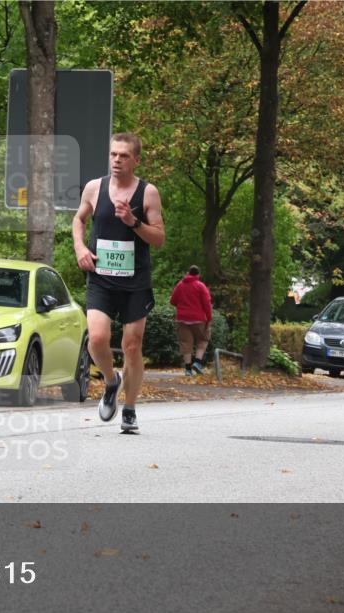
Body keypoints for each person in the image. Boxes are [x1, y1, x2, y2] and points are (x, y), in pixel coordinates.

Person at [72, 132, 165, 433]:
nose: (116, 160)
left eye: (124, 156)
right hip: (101, 278)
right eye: (113, 154)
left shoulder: (147, 193)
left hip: (135, 280)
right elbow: (79, 220)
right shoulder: (94, 188)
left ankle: (130, 409)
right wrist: (81, 248)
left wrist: (134, 222)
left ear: (136, 160)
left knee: (132, 345)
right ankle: (112, 381)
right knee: (97, 339)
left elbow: (159, 238)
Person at [170, 266, 213, 376]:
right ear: (198, 275)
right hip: (198, 319)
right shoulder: (201, 286)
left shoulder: (180, 285)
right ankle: (197, 363)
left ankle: (188, 369)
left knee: (185, 343)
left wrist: (182, 306)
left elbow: (173, 300)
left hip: (182, 319)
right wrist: (209, 319)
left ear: (187, 273)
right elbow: (207, 304)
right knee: (203, 340)